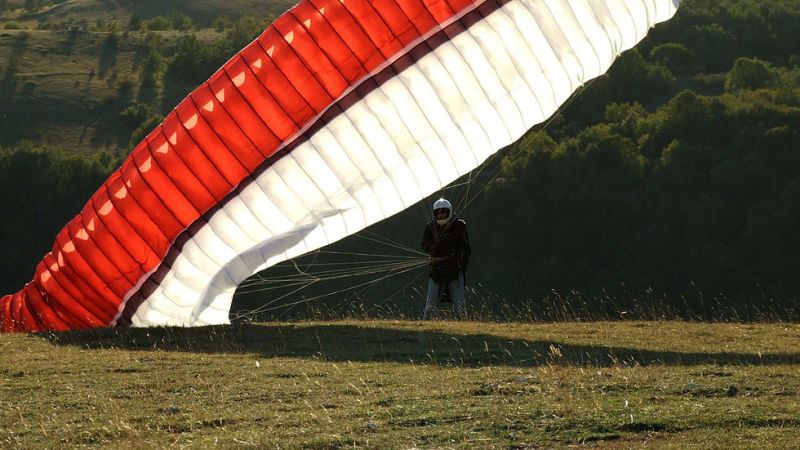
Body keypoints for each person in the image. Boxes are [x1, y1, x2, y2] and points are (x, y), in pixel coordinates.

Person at [421, 198, 471, 320]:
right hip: (437, 268)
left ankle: (462, 323)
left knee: (458, 301)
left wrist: (456, 255)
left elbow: (466, 248)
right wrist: (433, 247)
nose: (441, 214)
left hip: (454, 268)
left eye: (443, 212)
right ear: (434, 213)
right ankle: (427, 323)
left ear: (449, 211)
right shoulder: (431, 227)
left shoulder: (458, 226)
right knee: (431, 300)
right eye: (438, 212)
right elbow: (424, 243)